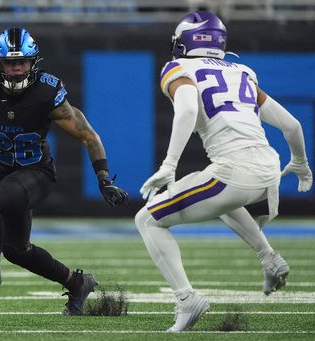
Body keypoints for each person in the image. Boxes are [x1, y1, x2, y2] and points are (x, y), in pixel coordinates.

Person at [134, 11, 313, 332]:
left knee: (147, 219)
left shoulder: (178, 67)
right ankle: (268, 256)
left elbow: (188, 107)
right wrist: (300, 162)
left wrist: (169, 164)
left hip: (235, 172)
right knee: (224, 198)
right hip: (269, 170)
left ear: (184, 42)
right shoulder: (243, 71)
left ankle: (186, 298)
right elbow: (292, 125)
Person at [0, 27, 128, 315]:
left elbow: (88, 135)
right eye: (10, 63)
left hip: (37, 172)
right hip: (2, 171)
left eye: (22, 62)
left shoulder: (47, 92)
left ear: (34, 62)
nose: (16, 69)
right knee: (15, 250)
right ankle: (78, 283)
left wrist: (103, 178)